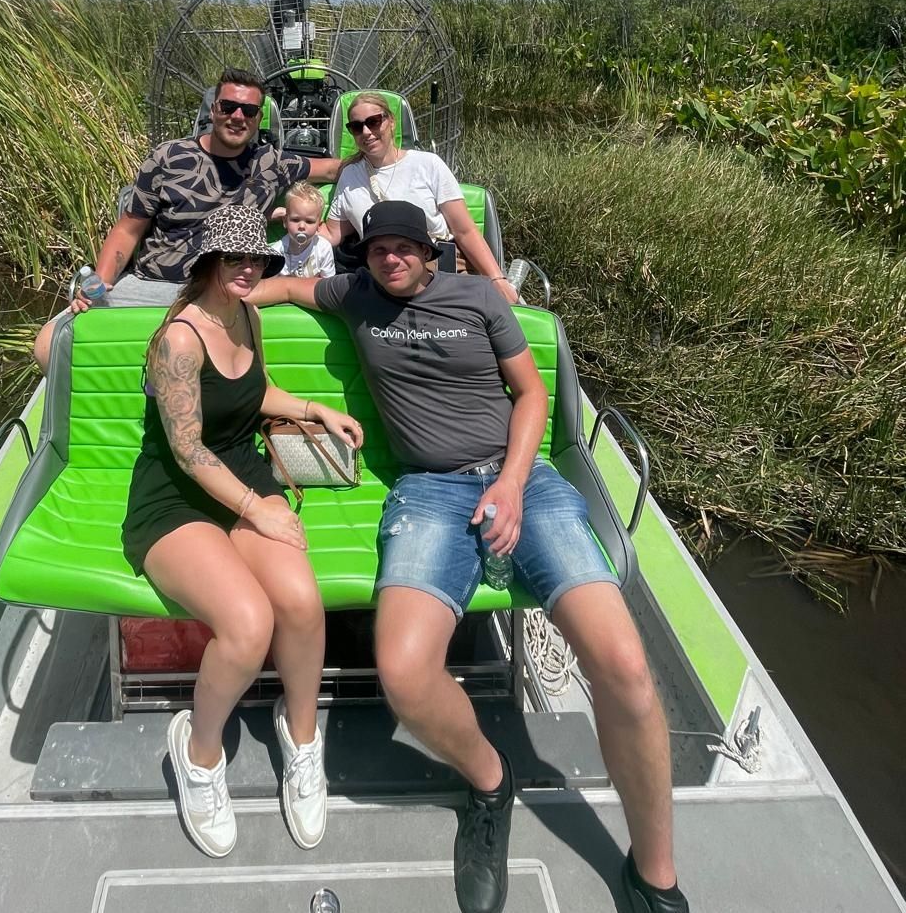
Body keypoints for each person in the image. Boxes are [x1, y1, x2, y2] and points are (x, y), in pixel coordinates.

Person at [250, 199, 690, 913]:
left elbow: (532, 393)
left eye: (404, 247)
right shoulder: (353, 294)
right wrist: (218, 297)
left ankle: (657, 878)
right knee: (402, 669)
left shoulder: (480, 295)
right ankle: (490, 782)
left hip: (525, 482)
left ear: (432, 252)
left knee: (626, 667)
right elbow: (287, 286)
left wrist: (513, 486)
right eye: (378, 248)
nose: (391, 258)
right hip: (427, 493)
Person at [122, 204, 363, 859]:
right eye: (235, 257)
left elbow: (254, 393)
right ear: (207, 262)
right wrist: (259, 509)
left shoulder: (247, 311)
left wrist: (317, 410)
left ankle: (302, 738)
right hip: (175, 499)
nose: (249, 267)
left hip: (244, 474)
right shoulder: (179, 340)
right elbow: (187, 451)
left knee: (301, 603)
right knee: (249, 625)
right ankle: (198, 755)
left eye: (255, 256)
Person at [33, 68, 343, 371]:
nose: (238, 116)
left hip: (231, 287)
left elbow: (332, 169)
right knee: (49, 342)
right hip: (157, 283)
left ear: (258, 118)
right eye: (229, 106)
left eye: (249, 110)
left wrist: (380, 150)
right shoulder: (169, 157)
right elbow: (128, 230)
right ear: (214, 109)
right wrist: (101, 281)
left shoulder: (270, 163)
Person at [322, 91, 518, 303]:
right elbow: (333, 232)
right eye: (357, 127)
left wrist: (497, 279)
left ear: (391, 122)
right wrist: (293, 221)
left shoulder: (427, 164)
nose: (367, 132)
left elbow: (464, 230)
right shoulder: (351, 175)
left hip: (437, 265)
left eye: (374, 122)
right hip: (386, 270)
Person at [275, 181, 336, 279]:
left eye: (309, 221)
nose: (302, 226)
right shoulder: (277, 251)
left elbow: (328, 282)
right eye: (295, 220)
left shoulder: (324, 248)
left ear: (318, 226)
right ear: (285, 221)